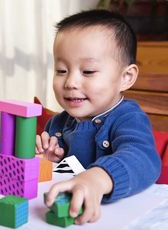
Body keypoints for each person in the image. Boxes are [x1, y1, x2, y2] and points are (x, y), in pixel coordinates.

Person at [35, 9, 161, 225]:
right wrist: (46, 161)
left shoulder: (128, 118)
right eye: (61, 70)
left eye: (88, 71)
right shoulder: (57, 123)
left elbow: (143, 159)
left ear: (125, 77)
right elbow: (54, 177)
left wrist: (96, 178)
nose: (70, 82)